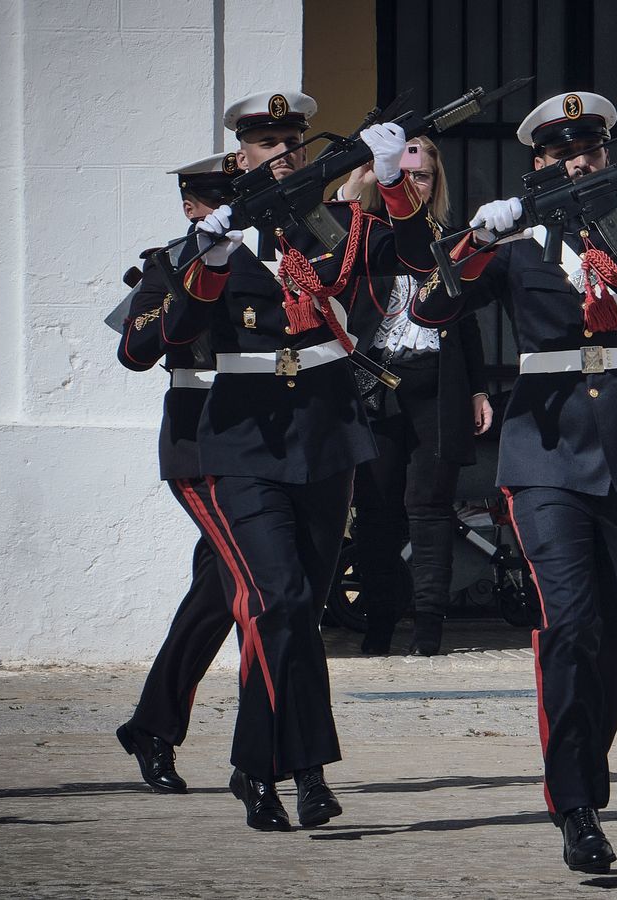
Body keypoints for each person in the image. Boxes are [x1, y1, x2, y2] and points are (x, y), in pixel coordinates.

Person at [409, 92, 617, 873]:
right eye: (559, 151)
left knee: (616, 639)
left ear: (607, 149)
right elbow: (428, 310)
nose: (577, 160)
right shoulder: (518, 237)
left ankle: (585, 778)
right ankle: (576, 804)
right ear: (537, 161)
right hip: (547, 450)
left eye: (588, 145)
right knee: (570, 623)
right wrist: (471, 243)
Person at [158, 89, 432, 831]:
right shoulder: (215, 235)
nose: (281, 151)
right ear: (238, 154)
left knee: (300, 616)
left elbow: (415, 259)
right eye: (263, 140)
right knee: (275, 601)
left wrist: (393, 181)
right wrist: (207, 254)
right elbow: (172, 331)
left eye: (291, 139)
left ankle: (291, 772)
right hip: (243, 442)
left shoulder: (336, 224)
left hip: (325, 434)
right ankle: (275, 769)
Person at [336, 138, 493, 657]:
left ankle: (429, 627)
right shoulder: (366, 238)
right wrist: (351, 192)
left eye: (422, 176)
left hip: (437, 383)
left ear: (435, 183)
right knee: (375, 509)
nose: (412, 184)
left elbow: (466, 321)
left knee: (429, 509)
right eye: (404, 175)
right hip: (375, 382)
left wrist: (477, 389)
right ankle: (379, 622)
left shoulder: (454, 238)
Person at [114, 152, 237, 794]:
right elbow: (133, 350)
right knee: (248, 584)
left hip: (267, 436)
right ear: (192, 205)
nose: (226, 206)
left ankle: (152, 726)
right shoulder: (171, 260)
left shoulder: (269, 259)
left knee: (221, 589)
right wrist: (175, 291)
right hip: (199, 434)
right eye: (214, 196)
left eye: (232, 194)